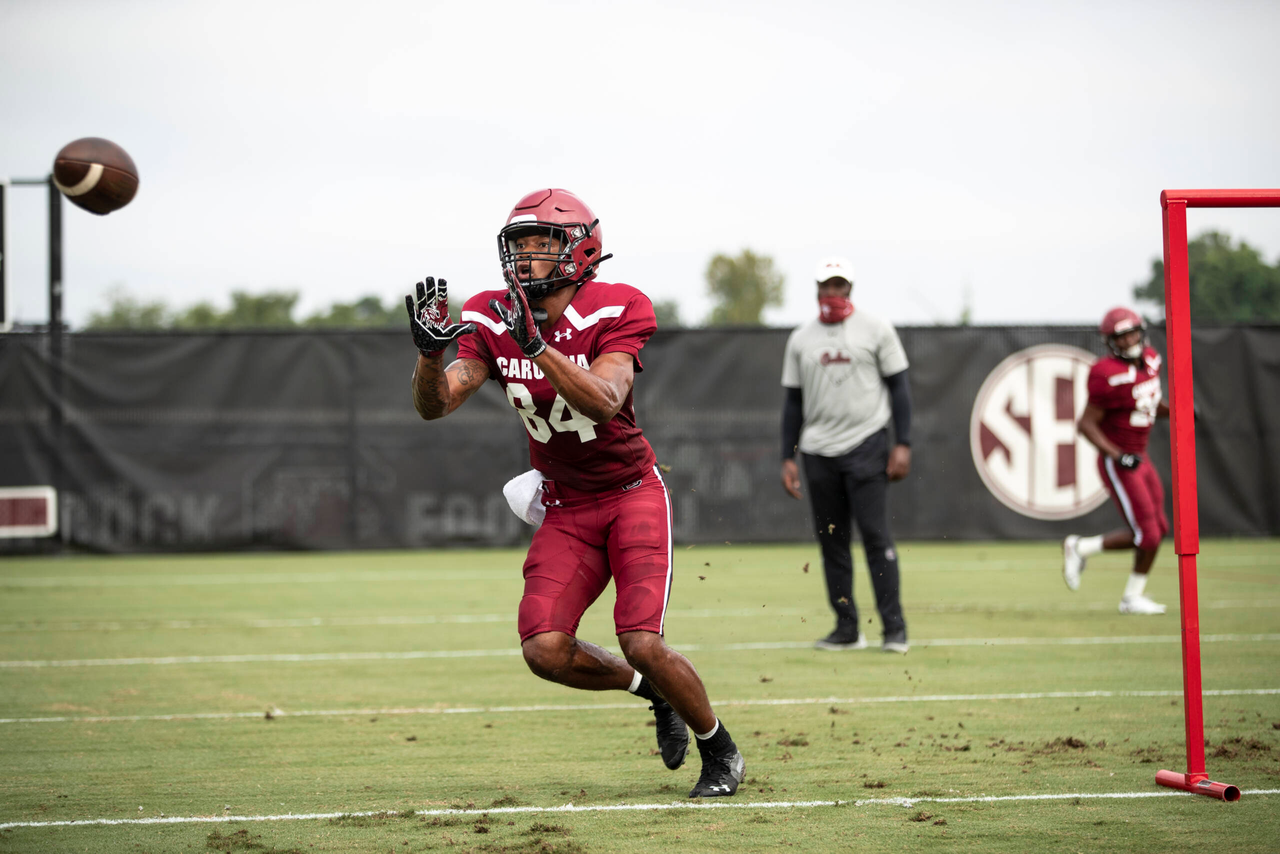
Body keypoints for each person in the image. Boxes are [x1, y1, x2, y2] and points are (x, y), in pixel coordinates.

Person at [404, 188, 745, 798]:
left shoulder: (618, 305)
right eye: (520, 245)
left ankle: (719, 748)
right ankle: (651, 694)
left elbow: (606, 398)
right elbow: (438, 404)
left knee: (641, 640)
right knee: (544, 648)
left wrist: (537, 345)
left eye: (543, 243)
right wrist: (430, 359)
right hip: (565, 503)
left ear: (580, 248)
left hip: (630, 491)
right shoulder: (491, 314)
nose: (527, 258)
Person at [779, 257, 913, 653]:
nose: (833, 293)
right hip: (818, 451)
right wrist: (788, 456)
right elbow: (792, 402)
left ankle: (895, 629)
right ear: (818, 290)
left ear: (850, 290)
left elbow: (900, 389)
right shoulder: (801, 338)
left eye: (840, 286)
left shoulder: (876, 329)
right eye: (827, 286)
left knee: (875, 537)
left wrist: (902, 443)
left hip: (867, 443)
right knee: (832, 541)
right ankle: (847, 628)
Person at [1062, 307, 1169, 615]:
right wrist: (1117, 455)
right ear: (1111, 341)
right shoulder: (1105, 373)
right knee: (1147, 534)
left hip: (1141, 455)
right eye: (1120, 336)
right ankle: (1131, 597)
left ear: (1141, 331)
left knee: (1158, 529)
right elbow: (1085, 423)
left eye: (1132, 332)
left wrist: (1176, 411)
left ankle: (1080, 548)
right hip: (1120, 459)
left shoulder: (1151, 359)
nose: (1128, 340)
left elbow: (1148, 403)